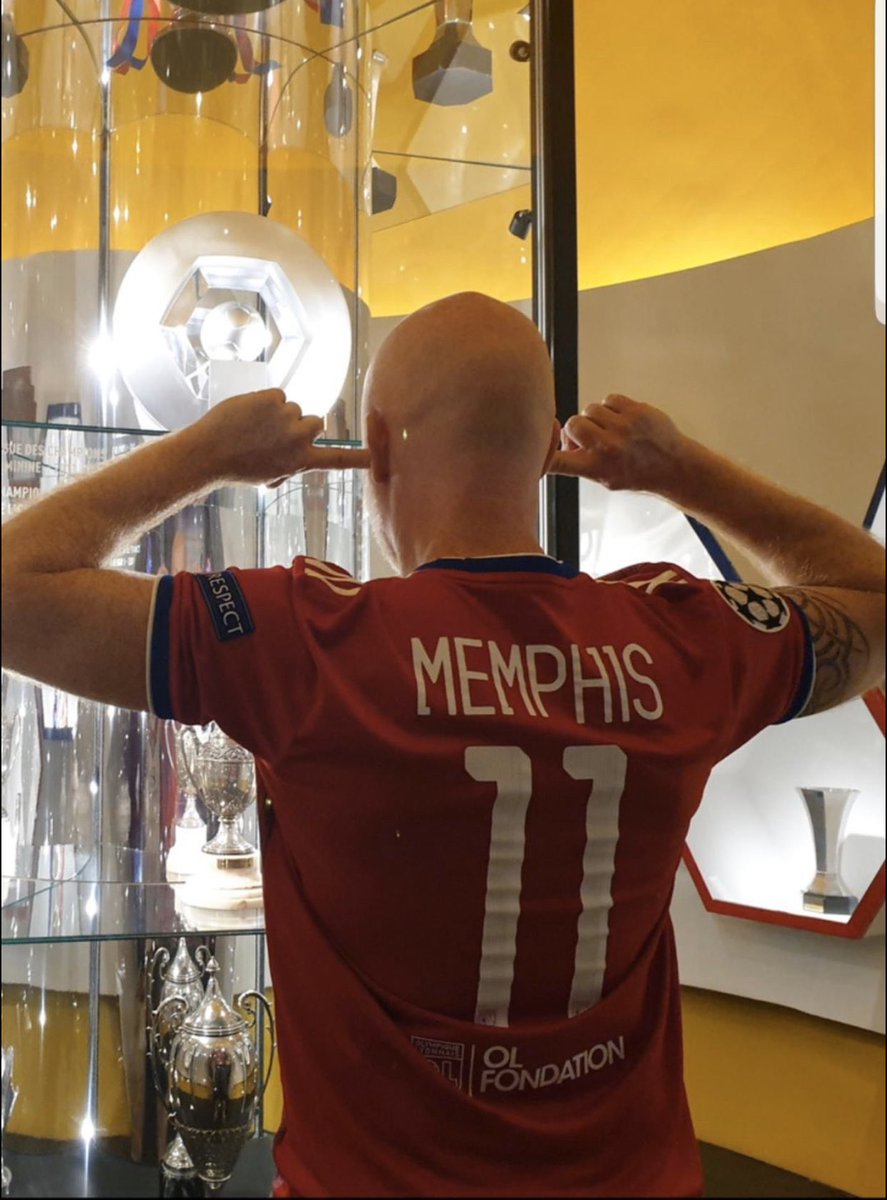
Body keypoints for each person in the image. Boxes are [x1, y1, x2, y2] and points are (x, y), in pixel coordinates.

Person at [1, 291, 883, 1198]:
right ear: (548, 450)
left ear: (377, 449)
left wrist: (205, 453)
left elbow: (11, 591)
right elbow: (876, 600)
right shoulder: (678, 638)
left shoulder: (307, 638)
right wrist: (684, 472)